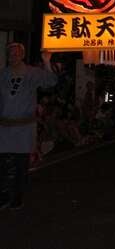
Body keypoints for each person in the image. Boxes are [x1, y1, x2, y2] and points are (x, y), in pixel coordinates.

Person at [0, 43, 58, 210]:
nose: (13, 56)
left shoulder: (32, 73)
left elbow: (51, 81)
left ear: (22, 55)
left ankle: (17, 196)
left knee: (20, 164)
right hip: (4, 126)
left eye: (17, 53)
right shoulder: (2, 74)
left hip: (24, 127)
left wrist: (47, 61)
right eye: (10, 53)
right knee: (3, 164)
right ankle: (4, 195)